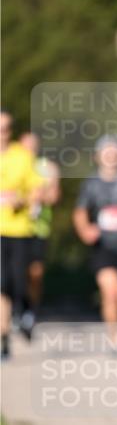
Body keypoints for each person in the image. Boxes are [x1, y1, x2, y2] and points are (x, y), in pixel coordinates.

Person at [72, 134, 117, 345]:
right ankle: (114, 336)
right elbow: (80, 211)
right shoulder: (91, 183)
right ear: (98, 156)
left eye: (114, 151)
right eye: (106, 151)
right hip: (103, 245)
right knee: (109, 290)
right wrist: (85, 229)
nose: (110, 155)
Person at [0, 111, 42, 360]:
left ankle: (24, 312)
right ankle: (3, 336)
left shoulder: (22, 157)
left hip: (19, 230)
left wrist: (21, 200)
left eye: (5, 128)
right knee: (1, 284)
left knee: (17, 282)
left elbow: (38, 192)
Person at [19, 131, 61, 338]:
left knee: (35, 273)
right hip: (13, 228)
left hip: (38, 228)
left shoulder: (48, 168)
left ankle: (31, 310)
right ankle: (17, 310)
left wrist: (34, 194)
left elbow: (53, 196)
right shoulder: (11, 164)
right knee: (13, 274)